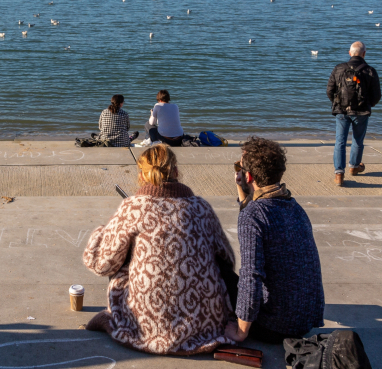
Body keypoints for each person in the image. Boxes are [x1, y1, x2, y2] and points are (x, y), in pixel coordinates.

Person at [82, 144, 236, 354]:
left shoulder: (133, 207)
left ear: (142, 176)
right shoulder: (201, 207)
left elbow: (103, 265)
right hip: (205, 322)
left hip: (146, 324)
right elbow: (227, 259)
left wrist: (103, 232)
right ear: (176, 172)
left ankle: (145, 319)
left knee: (123, 263)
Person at [226, 137, 325, 344]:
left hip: (275, 327)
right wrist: (242, 186)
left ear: (249, 175)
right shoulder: (294, 207)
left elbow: (251, 275)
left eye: (240, 168)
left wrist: (241, 332)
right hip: (306, 322)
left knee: (221, 270)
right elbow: (253, 206)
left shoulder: (253, 215)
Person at [326, 41, 382, 186]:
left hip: (341, 111)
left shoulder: (338, 69)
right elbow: (376, 95)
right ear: (364, 53)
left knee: (340, 141)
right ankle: (354, 166)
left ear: (350, 53)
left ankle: (339, 173)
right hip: (362, 111)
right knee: (358, 140)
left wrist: (336, 102)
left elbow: (329, 91)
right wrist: (369, 104)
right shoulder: (370, 71)